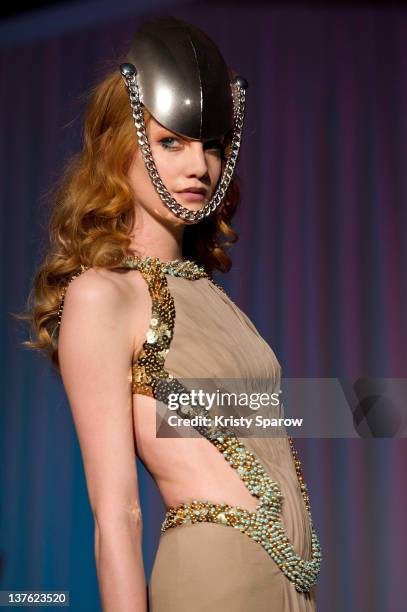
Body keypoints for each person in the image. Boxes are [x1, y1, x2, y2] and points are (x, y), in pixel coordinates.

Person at [22, 16, 321, 612]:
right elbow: (117, 515)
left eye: (211, 146)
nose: (199, 166)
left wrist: (382, 407)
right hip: (214, 577)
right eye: (170, 142)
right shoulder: (103, 295)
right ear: (120, 147)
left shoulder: (209, 296)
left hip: (292, 582)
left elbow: (257, 419)